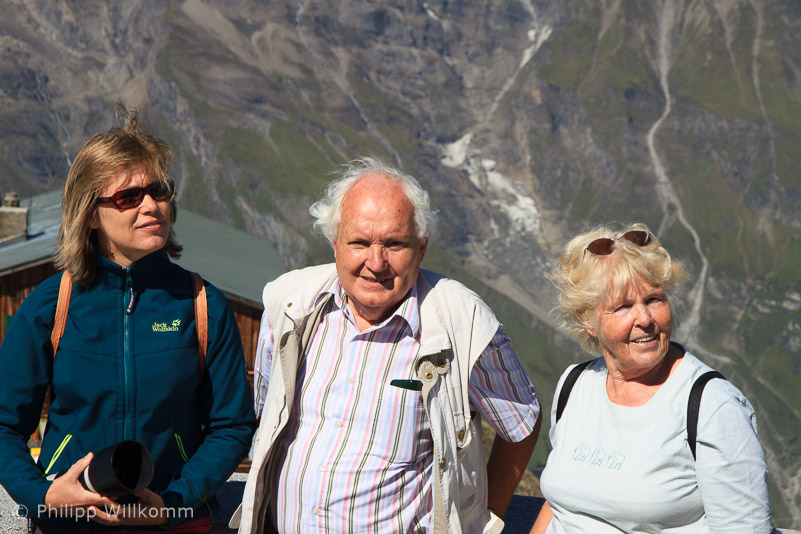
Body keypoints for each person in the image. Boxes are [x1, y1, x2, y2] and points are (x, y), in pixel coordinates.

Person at [234, 157, 541, 533]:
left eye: (394, 243)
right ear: (335, 244)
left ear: (422, 248)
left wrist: (486, 518)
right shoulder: (289, 305)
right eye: (359, 242)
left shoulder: (463, 321)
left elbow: (522, 421)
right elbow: (268, 415)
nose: (375, 262)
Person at [0, 105, 256, 532]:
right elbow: (5, 425)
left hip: (173, 522)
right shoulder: (51, 306)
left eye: (160, 191)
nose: (152, 205)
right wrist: (42, 496)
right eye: (128, 197)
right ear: (90, 213)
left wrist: (174, 501)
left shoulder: (201, 303)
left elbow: (232, 426)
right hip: (70, 525)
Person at [530, 223, 773, 533]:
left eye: (654, 299)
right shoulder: (574, 385)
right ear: (587, 320)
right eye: (623, 307)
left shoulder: (711, 405)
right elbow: (560, 505)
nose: (644, 319)